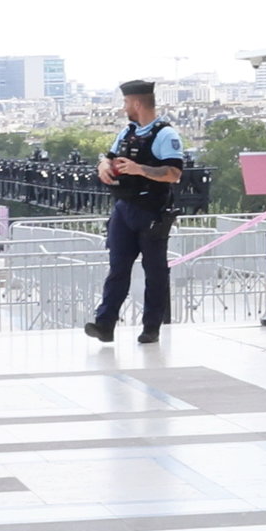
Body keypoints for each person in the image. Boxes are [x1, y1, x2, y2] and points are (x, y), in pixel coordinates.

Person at [84, 82, 187, 344]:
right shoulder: (128, 132)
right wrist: (103, 167)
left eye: (126, 103)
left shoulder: (165, 135)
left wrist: (140, 169)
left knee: (155, 271)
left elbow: (174, 173)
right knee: (118, 268)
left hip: (151, 210)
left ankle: (151, 327)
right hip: (124, 208)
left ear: (137, 104)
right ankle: (104, 323)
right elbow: (108, 157)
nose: (124, 108)